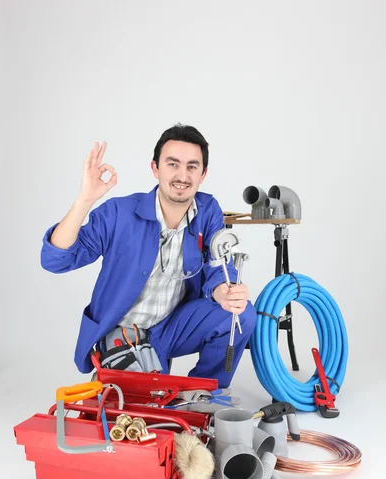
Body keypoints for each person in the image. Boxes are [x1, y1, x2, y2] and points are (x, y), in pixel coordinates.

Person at [41, 124, 256, 387]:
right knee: (141, 414)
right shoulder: (119, 213)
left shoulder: (207, 210)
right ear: (155, 168)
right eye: (173, 164)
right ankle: (122, 371)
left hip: (173, 327)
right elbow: (56, 260)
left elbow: (217, 262)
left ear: (203, 174)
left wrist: (224, 290)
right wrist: (84, 200)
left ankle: (204, 394)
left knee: (239, 314)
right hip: (127, 332)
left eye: (192, 166)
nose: (182, 175)